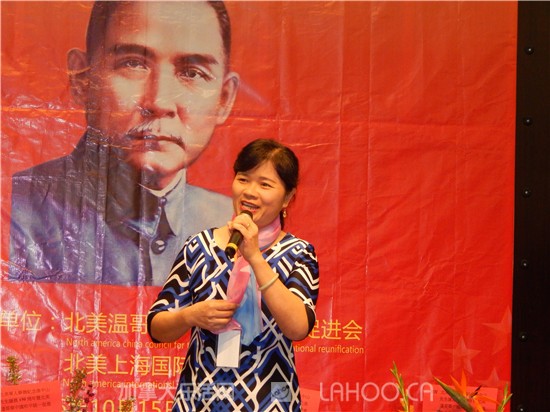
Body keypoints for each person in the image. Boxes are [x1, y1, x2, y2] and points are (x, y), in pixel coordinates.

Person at [8, 1, 239, 286]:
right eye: (133, 64)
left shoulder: (233, 223)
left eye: (192, 73)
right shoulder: (15, 210)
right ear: (83, 80)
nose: (160, 102)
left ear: (224, 99)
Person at [147, 139, 319, 411]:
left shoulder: (298, 253)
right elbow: (156, 326)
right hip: (201, 398)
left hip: (270, 400)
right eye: (243, 179)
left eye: (265, 184)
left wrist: (255, 257)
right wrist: (191, 315)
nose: (250, 192)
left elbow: (298, 328)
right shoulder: (199, 246)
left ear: (287, 197)